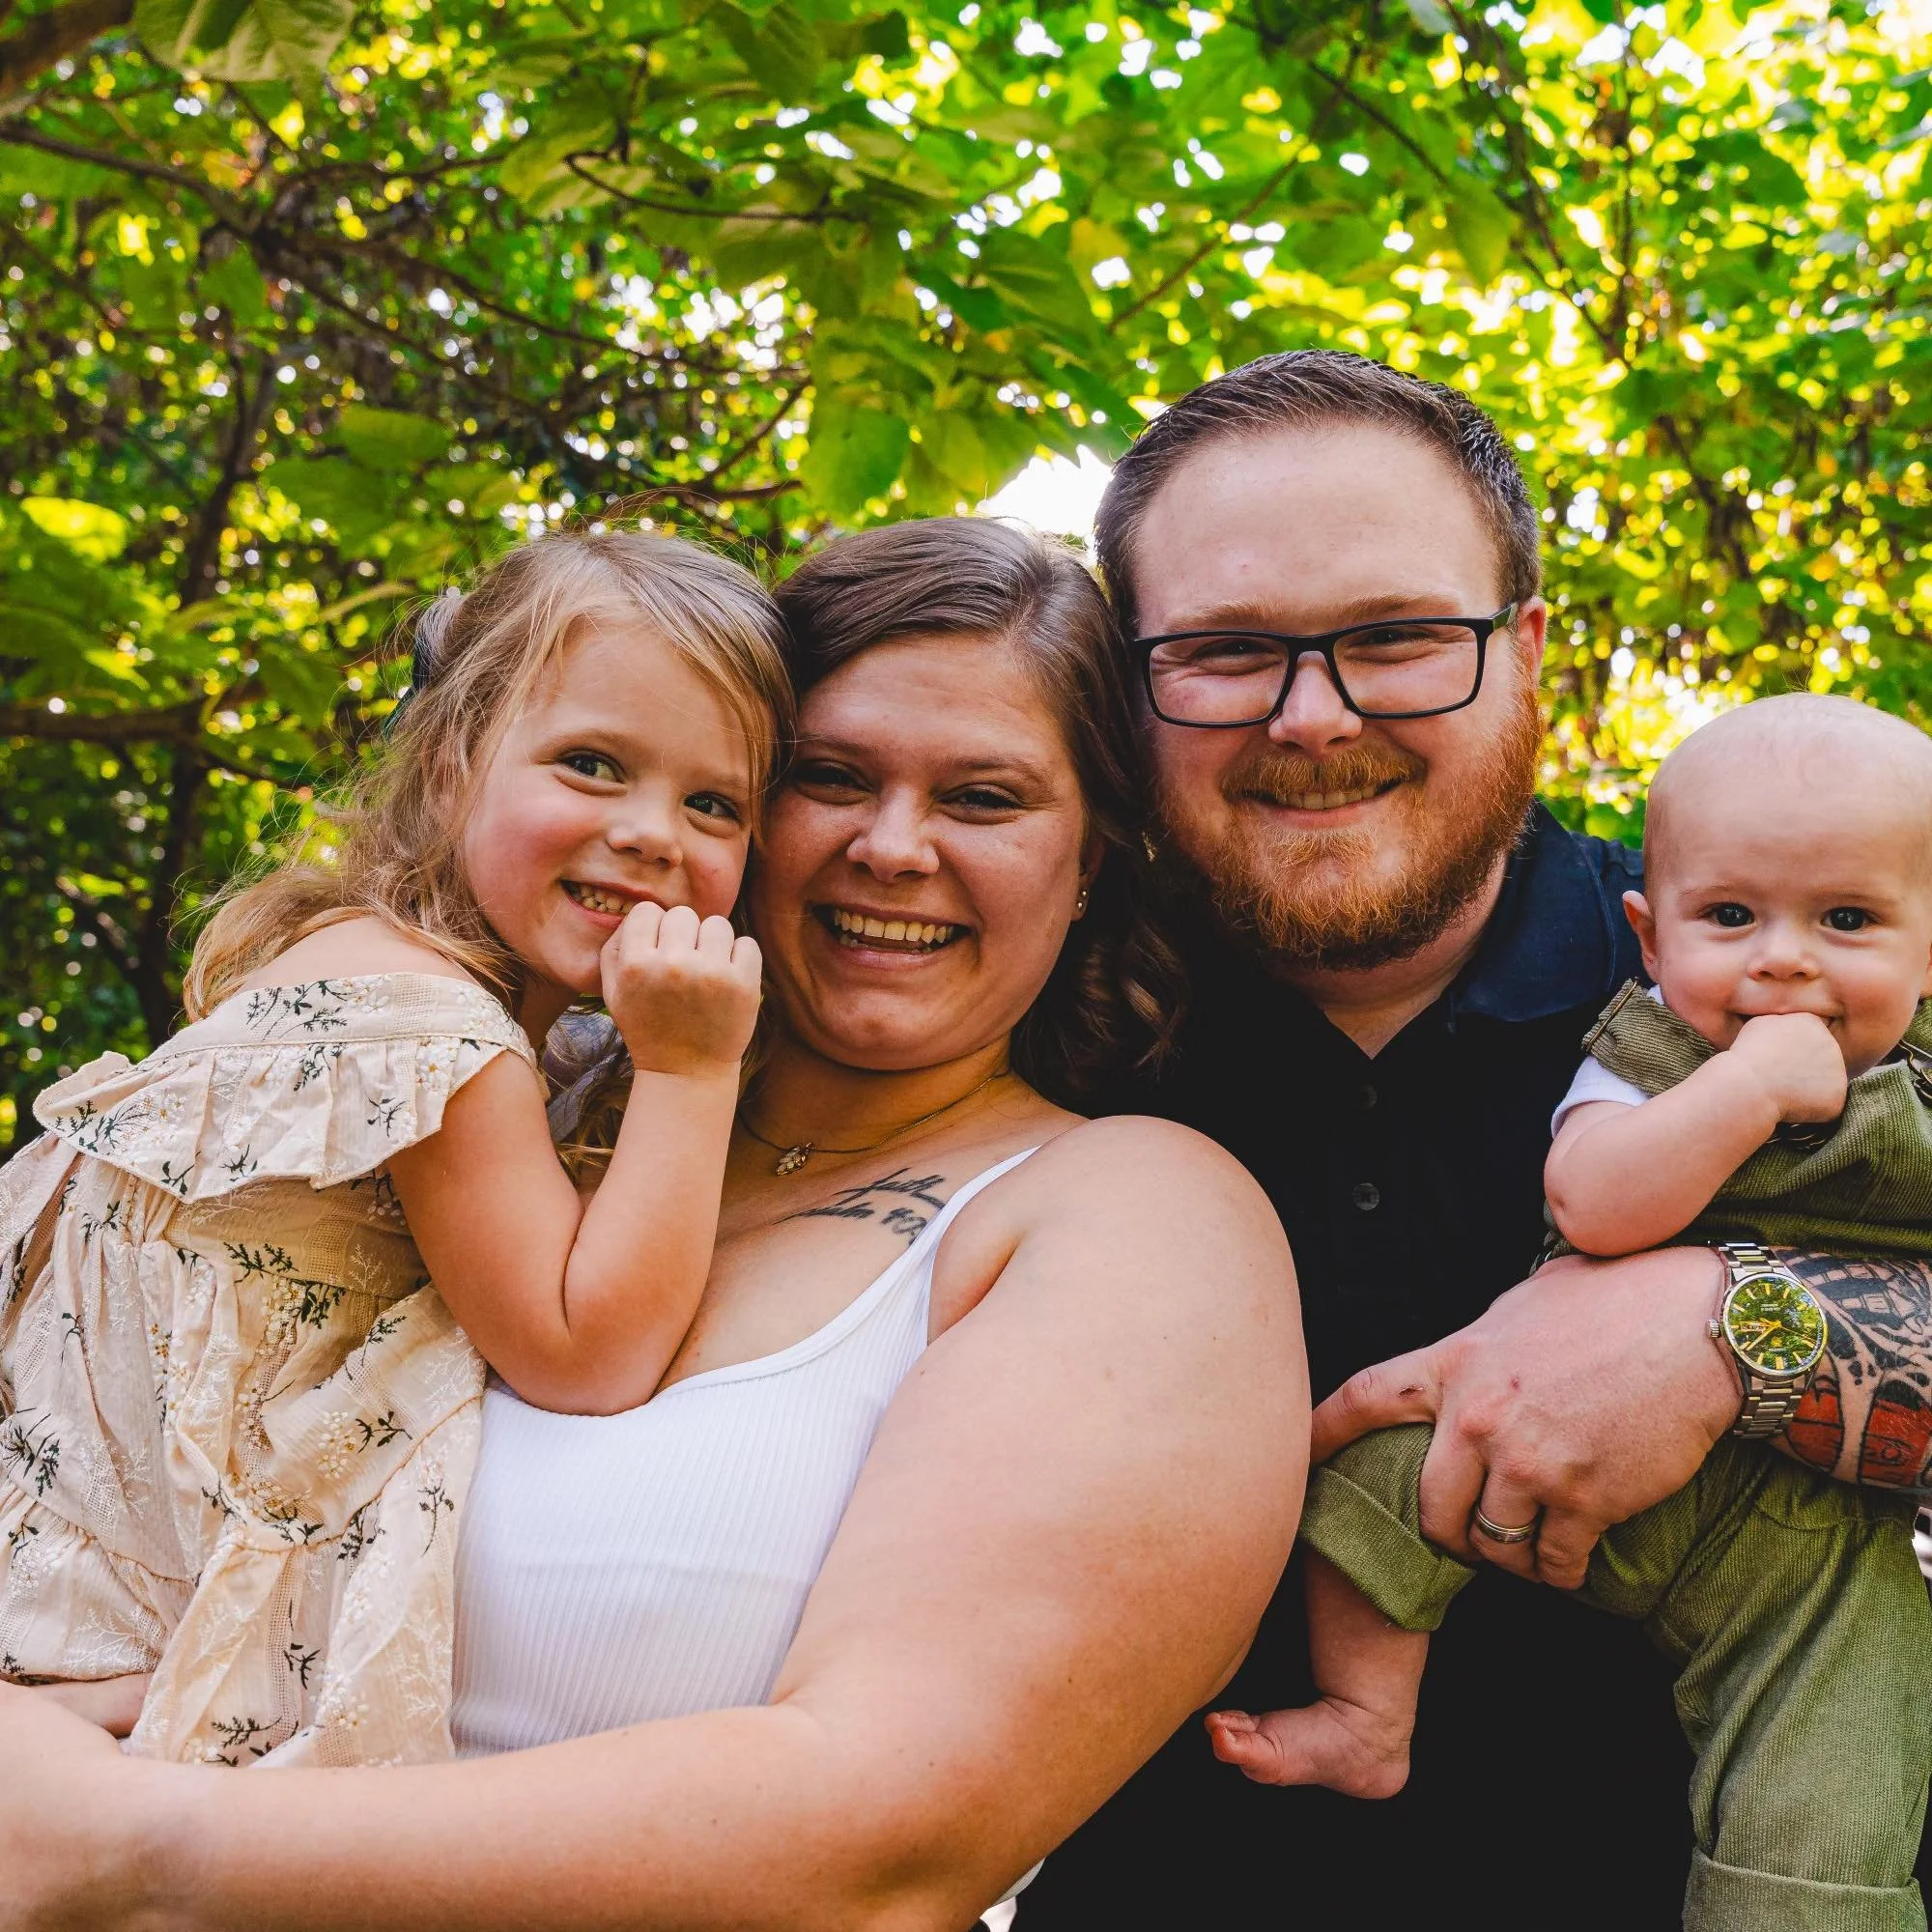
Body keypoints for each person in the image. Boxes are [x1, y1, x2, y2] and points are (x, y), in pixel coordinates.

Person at [0, 515, 1306, 1932]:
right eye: (827, 779)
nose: (893, 847)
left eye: (984, 798)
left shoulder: (1132, 1213)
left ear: (1096, 858)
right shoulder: (507, 1096)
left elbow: (888, 1844)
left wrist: (137, 1841)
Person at [1019, 350, 1932, 1929]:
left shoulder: (1798, 969)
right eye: (1230, 652)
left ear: (1524, 651)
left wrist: (1732, 1333)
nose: (1315, 717)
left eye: (1394, 637)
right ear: (1134, 685)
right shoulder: (1040, 1014)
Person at [0, 528, 791, 1767]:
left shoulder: (373, 973)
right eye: (591, 764)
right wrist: (694, 1070)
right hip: (113, 1669)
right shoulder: (430, 1030)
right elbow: (584, 1351)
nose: (651, 832)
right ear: (447, 771)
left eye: (713, 802)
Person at [1218, 695, 1932, 1929]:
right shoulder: (1651, 1051)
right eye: (1728, 917)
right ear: (1647, 940)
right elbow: (1594, 1202)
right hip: (1513, 1478)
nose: (1782, 958)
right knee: (1367, 1481)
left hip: (1816, 1550)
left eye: (1848, 920)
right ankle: (1367, 1714)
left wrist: (1723, 1327)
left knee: (1833, 1774)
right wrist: (1751, 1089)